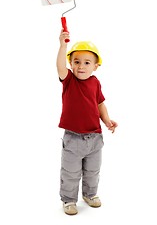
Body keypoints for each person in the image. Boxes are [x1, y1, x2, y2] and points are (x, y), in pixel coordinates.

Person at [56, 30, 118, 215]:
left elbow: (99, 103)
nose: (81, 66)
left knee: (92, 171)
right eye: (76, 62)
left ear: (95, 66)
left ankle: (90, 194)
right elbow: (59, 67)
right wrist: (63, 45)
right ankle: (68, 199)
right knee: (70, 172)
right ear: (71, 64)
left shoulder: (95, 82)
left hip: (95, 137)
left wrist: (107, 120)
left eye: (86, 63)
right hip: (73, 138)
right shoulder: (69, 80)